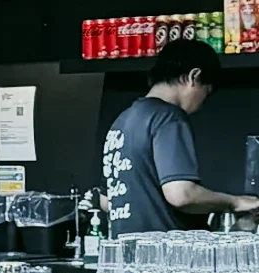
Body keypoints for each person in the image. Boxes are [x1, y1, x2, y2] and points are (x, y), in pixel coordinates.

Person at [101, 39, 259, 236]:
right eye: (206, 92)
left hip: (125, 249)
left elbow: (107, 202)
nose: (201, 104)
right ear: (194, 77)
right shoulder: (168, 117)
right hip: (166, 252)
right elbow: (181, 194)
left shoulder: (121, 121)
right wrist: (235, 202)